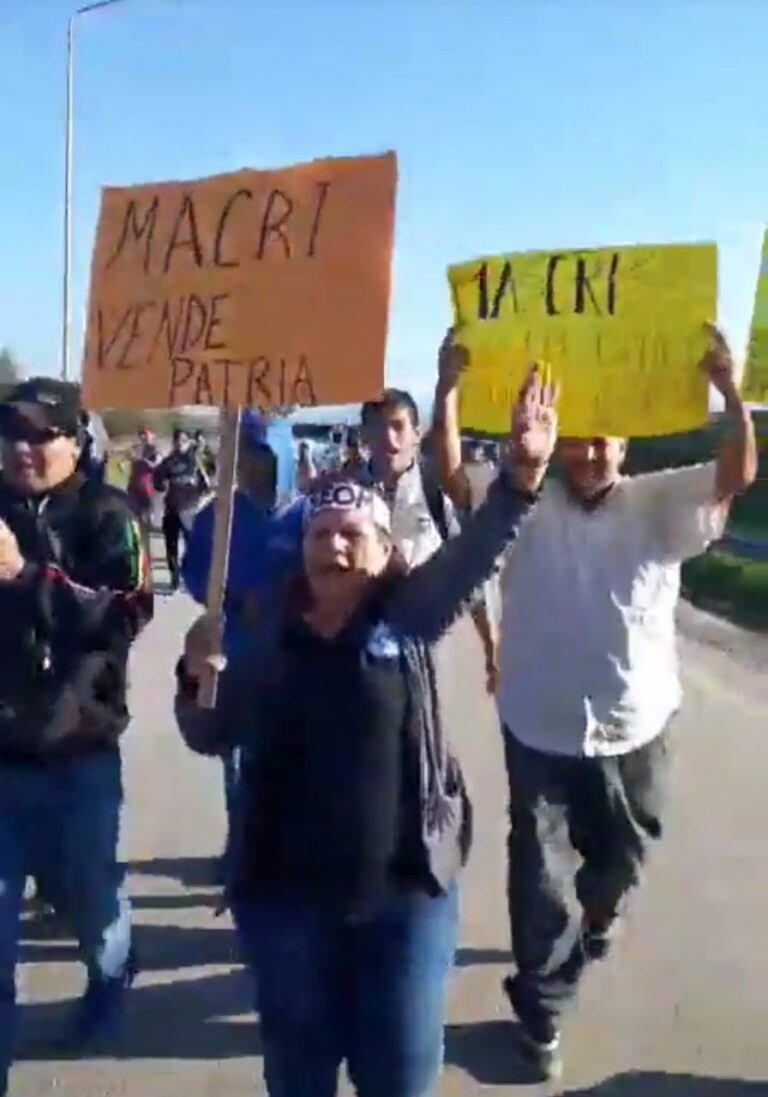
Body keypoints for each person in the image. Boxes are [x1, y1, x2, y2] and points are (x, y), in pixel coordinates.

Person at [174, 367, 557, 1097]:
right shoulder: (260, 627)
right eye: (322, 533)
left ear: (385, 551)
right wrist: (197, 673)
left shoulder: (407, 616)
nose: (337, 547)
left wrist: (522, 474)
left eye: (354, 534)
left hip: (405, 897)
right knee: (299, 1074)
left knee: (402, 1076)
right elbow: (208, 732)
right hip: (286, 901)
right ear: (302, 547)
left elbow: (472, 555)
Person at [431, 326, 758, 1080]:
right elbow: (452, 475)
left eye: (602, 443)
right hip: (537, 725)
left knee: (622, 860)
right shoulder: (525, 497)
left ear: (625, 445)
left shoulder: (659, 498)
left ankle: (600, 915)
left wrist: (730, 391)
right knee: (538, 879)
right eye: (574, 442)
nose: (587, 455)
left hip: (635, 725)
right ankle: (542, 1009)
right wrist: (448, 388)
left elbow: (737, 471)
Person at [0, 378, 153, 1097]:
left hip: (77, 758)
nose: (22, 449)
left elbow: (122, 613)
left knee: (91, 907)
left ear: (74, 439)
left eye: (39, 434)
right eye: (11, 433)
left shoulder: (108, 512)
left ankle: (113, 964)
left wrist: (25, 574)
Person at [182, 411, 303, 880]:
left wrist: (280, 599)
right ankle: (245, 854)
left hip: (295, 658)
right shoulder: (221, 515)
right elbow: (195, 574)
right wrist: (231, 598)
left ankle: (288, 856)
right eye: (248, 454)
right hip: (234, 657)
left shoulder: (307, 515)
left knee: (293, 763)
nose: (257, 466)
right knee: (240, 764)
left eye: (266, 455)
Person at [360, 386, 500, 692]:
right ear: (364, 436)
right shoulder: (348, 494)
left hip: (428, 646)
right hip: (362, 646)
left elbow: (471, 574)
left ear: (416, 433)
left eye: (398, 426)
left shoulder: (436, 493)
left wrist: (490, 643)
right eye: (378, 427)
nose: (389, 439)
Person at [154, 427, 210, 591]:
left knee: (192, 545)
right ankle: (175, 578)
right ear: (173, 443)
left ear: (188, 443)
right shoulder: (168, 462)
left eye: (183, 441)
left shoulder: (195, 461)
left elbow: (207, 486)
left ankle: (193, 576)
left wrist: (198, 499)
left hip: (189, 510)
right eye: (177, 441)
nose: (180, 444)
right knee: (170, 546)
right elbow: (158, 481)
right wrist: (162, 484)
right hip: (171, 508)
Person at [127, 426, 161, 527]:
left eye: (145, 435)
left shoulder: (155, 450)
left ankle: (147, 525)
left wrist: (143, 461)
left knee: (147, 507)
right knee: (135, 507)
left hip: (145, 483)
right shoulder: (136, 448)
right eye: (141, 435)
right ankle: (139, 524)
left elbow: (157, 465)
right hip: (136, 482)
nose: (143, 437)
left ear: (152, 436)